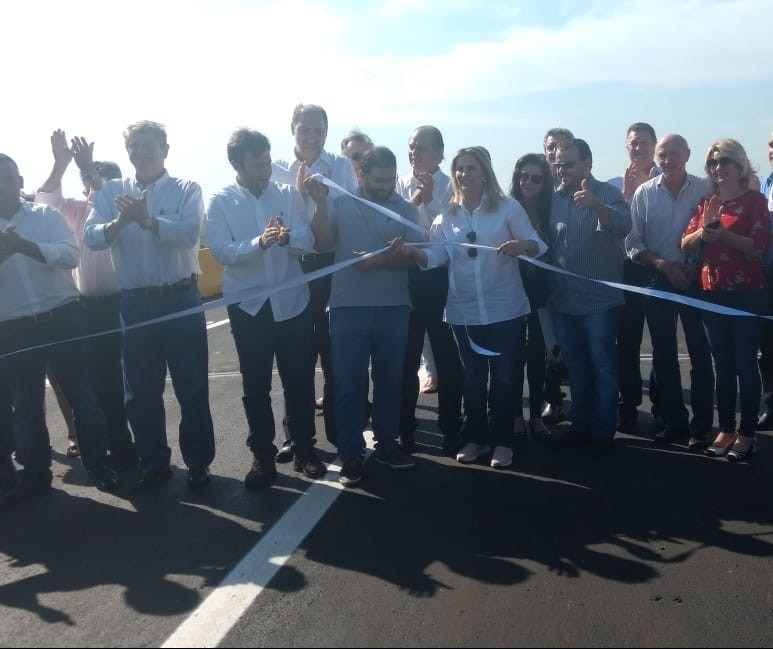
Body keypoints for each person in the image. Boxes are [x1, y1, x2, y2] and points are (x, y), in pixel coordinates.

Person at [84, 121, 216, 490]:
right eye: (135, 145)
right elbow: (92, 237)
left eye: (150, 145)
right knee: (141, 391)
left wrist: (146, 221)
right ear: (128, 152)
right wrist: (119, 223)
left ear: (166, 150)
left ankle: (198, 462)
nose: (142, 152)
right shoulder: (112, 191)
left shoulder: (187, 189)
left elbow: (189, 233)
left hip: (180, 298)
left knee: (191, 386)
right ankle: (154, 461)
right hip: (136, 304)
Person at [396, 146, 546, 469]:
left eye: (471, 169)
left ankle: (503, 441)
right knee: (474, 378)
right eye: (460, 169)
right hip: (464, 312)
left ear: (485, 172)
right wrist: (414, 253)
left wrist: (522, 246)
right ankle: (477, 437)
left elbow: (537, 245)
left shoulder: (508, 208)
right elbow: (437, 257)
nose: (464, 175)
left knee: (505, 378)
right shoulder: (447, 215)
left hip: (505, 309)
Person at [206, 129, 325, 488]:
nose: (266, 168)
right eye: (258, 163)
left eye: (268, 161)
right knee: (255, 386)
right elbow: (221, 251)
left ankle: (304, 449)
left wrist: (287, 238)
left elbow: (308, 240)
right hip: (250, 307)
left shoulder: (288, 195)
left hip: (292, 304)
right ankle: (262, 455)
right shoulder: (221, 201)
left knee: (299, 381)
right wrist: (260, 242)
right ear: (236, 165)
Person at [0, 153, 118, 504]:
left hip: (63, 318)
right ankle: (36, 477)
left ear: (21, 181)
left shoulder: (45, 215)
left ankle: (99, 465)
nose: (2, 185)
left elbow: (71, 256)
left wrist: (25, 247)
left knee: (84, 398)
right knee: (27, 407)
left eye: (8, 177)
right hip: (13, 328)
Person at [306, 146, 419, 487]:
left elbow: (417, 258)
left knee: (389, 382)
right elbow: (323, 243)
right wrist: (321, 204)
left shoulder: (406, 209)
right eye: (379, 180)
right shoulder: (340, 202)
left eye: (390, 179)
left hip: (394, 307)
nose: (387, 186)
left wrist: (382, 260)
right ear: (361, 176)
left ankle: (387, 444)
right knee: (349, 384)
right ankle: (351, 453)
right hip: (347, 306)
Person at [35, 129, 137, 469]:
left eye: (104, 182)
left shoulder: (127, 206)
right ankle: (119, 447)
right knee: (103, 382)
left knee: (137, 382)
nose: (97, 189)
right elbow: (45, 201)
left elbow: (105, 196)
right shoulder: (77, 211)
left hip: (128, 303)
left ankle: (148, 449)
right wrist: (61, 164)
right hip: (89, 309)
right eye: (92, 183)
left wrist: (91, 172)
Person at [272, 104, 359, 457]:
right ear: (292, 129)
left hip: (332, 266)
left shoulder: (340, 167)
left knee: (334, 353)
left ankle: (340, 432)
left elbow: (348, 212)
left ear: (327, 132)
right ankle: (296, 434)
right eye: (304, 129)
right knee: (297, 356)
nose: (311, 136)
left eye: (318, 130)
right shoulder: (276, 169)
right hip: (294, 268)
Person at [682, 139, 770, 462]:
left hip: (747, 295)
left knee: (745, 364)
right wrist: (704, 232)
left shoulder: (755, 202)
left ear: (740, 165)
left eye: (724, 162)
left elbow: (758, 247)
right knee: (723, 365)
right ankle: (727, 428)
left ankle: (748, 433)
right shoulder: (708, 203)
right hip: (712, 295)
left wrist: (723, 236)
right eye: (713, 163)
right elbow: (686, 243)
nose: (718, 168)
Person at [626, 134, 714, 450]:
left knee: (701, 356)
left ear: (687, 155)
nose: (668, 160)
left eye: (674, 153)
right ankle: (674, 421)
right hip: (659, 280)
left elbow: (715, 234)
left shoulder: (705, 190)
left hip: (696, 280)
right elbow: (633, 243)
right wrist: (663, 264)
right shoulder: (644, 194)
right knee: (664, 357)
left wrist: (695, 263)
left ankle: (702, 426)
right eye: (663, 154)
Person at [548, 139, 632, 457]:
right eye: (557, 164)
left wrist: (597, 206)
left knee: (603, 367)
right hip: (565, 301)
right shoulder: (552, 199)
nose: (562, 170)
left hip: (600, 301)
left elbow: (624, 226)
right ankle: (580, 425)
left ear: (587, 164)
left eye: (568, 164)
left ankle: (603, 431)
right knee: (577, 367)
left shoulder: (608, 194)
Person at [395, 125, 463, 454]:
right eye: (411, 147)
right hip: (406, 279)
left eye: (422, 147)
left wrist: (432, 200)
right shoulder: (399, 185)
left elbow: (450, 233)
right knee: (406, 359)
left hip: (441, 280)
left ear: (439, 153)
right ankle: (405, 428)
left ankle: (451, 426)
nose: (415, 153)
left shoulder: (453, 186)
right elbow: (394, 224)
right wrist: (414, 201)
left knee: (448, 358)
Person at [607, 122, 660, 435]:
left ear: (653, 146)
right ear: (626, 147)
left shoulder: (667, 181)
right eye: (633, 143)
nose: (638, 148)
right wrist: (627, 198)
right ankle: (627, 407)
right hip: (626, 272)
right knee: (626, 345)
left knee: (662, 345)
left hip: (657, 270)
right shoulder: (615, 186)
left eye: (644, 143)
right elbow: (617, 233)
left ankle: (662, 406)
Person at [509, 153, 554, 442]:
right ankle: (515, 414)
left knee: (539, 356)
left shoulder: (552, 210)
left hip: (542, 294)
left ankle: (536, 414)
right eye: (524, 176)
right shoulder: (507, 207)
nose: (529, 182)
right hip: (511, 290)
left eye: (536, 177)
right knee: (513, 357)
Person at [540, 127, 574, 423]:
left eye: (562, 147)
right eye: (551, 147)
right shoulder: (536, 183)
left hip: (573, 277)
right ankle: (553, 399)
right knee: (548, 345)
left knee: (577, 343)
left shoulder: (577, 183)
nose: (555, 152)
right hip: (542, 279)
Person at [756, 128, 773, 429]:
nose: (772, 149)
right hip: (768, 276)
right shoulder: (767, 184)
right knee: (768, 347)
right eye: (771, 143)